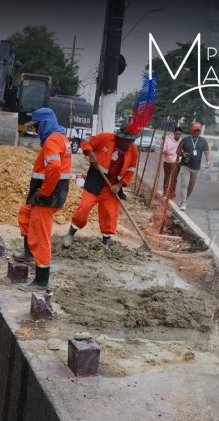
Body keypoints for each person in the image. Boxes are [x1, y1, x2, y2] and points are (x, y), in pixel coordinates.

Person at [14, 108, 72, 291]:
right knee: (25, 213)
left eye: (37, 126)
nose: (36, 130)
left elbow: (54, 167)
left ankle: (41, 280)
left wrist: (45, 192)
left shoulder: (53, 140)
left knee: (41, 235)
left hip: (48, 196)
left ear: (44, 123)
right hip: (50, 194)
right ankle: (28, 254)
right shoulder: (60, 137)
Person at [64, 126, 139, 250]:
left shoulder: (133, 151)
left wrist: (119, 185)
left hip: (113, 186)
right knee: (84, 207)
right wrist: (91, 153)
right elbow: (85, 141)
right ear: (118, 137)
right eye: (126, 140)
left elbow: (131, 170)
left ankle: (106, 242)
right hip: (95, 179)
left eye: (131, 141)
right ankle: (70, 233)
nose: (128, 144)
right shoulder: (105, 138)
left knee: (109, 213)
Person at [176, 122, 210, 210]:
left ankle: (184, 200)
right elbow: (178, 152)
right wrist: (183, 154)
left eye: (198, 130)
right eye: (195, 130)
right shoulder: (185, 140)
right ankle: (184, 203)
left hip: (196, 168)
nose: (196, 132)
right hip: (185, 166)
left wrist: (208, 161)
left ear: (200, 131)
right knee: (185, 184)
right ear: (191, 130)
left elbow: (206, 152)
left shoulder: (203, 141)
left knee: (191, 187)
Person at [160, 126, 183, 202]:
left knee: (174, 178)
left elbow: (183, 151)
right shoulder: (168, 140)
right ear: (174, 133)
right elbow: (163, 150)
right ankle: (165, 192)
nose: (178, 136)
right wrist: (168, 153)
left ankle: (172, 192)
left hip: (177, 162)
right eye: (177, 134)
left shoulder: (182, 141)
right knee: (167, 177)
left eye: (180, 134)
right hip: (168, 162)